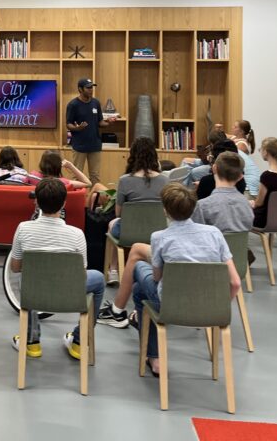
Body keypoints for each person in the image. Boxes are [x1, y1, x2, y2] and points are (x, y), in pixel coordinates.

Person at [129, 184, 241, 376]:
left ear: (165, 210)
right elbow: (236, 282)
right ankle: (152, 353)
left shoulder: (159, 237)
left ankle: (154, 357)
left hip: (171, 305)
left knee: (139, 273)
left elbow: (157, 277)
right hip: (210, 306)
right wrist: (218, 308)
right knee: (139, 289)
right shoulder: (214, 233)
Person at [9, 178, 105, 360]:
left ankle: (31, 341)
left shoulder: (23, 229)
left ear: (36, 201)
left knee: (26, 277)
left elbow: (15, 267)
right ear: (64, 204)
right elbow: (81, 275)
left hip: (36, 293)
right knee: (98, 279)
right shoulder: (77, 234)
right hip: (69, 295)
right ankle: (79, 341)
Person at [105, 137, 168, 284]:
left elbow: (119, 213)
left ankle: (113, 270)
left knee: (112, 223)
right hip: (158, 231)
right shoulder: (165, 180)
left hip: (129, 233)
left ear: (132, 155)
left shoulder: (125, 180)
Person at [192, 152, 253, 233]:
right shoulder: (247, 205)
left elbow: (195, 234)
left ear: (214, 168)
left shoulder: (202, 206)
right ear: (240, 177)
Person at [65, 78, 109, 183]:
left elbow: (100, 122)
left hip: (95, 145)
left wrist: (109, 122)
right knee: (77, 176)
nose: (91, 90)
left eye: (92, 87)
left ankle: (94, 194)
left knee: (95, 176)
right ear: (80, 89)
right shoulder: (73, 105)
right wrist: (77, 128)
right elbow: (68, 124)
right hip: (79, 146)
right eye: (88, 88)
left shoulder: (96, 103)